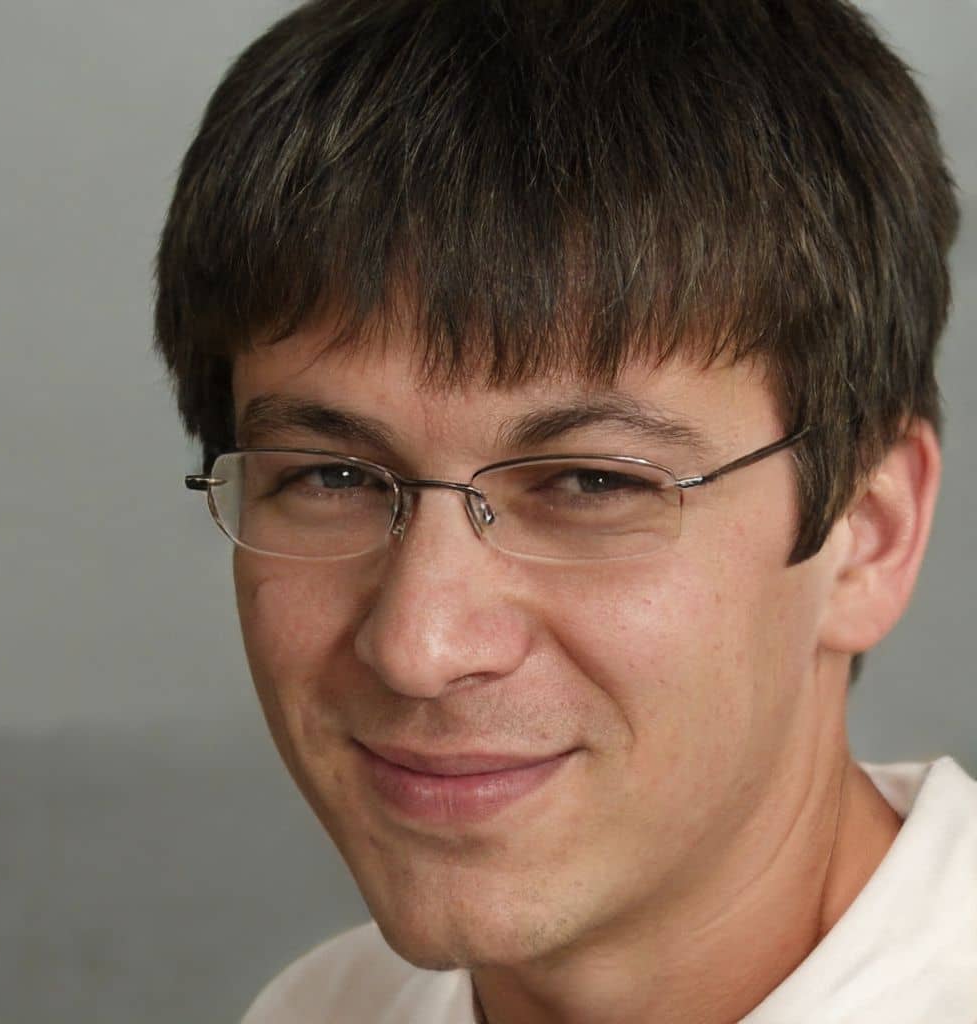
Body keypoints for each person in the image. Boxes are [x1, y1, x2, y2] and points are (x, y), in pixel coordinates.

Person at [154, 1, 976, 1021]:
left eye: (592, 483)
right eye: (332, 478)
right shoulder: (322, 1008)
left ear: (868, 534)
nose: (419, 646)